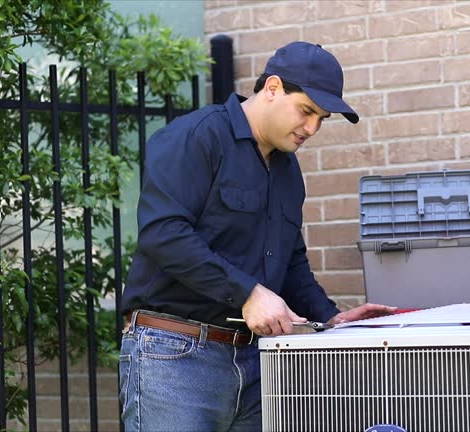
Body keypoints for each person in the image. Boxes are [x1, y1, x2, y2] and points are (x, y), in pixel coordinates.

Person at [118, 41, 396, 431]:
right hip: (174, 359)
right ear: (272, 88)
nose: (312, 128)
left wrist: (330, 317)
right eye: (307, 111)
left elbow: (290, 260)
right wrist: (247, 293)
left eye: (322, 119)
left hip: (255, 364)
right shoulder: (196, 136)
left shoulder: (287, 170)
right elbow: (163, 234)